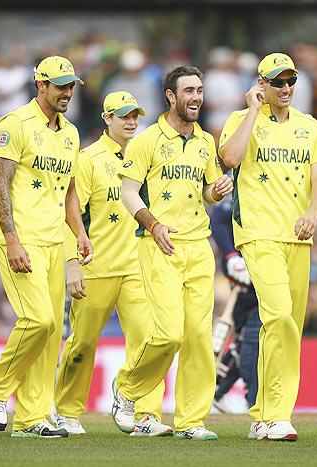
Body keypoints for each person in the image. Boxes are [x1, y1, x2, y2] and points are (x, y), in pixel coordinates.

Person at [111, 65, 232, 441]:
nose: (196, 97)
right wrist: (153, 224)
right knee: (168, 334)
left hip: (199, 245)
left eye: (200, 90)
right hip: (158, 245)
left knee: (198, 336)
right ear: (171, 96)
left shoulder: (205, 142)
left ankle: (191, 421)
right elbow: (128, 191)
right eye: (189, 91)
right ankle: (127, 390)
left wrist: (218, 190)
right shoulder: (147, 139)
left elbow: (207, 192)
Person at [219, 52, 317, 441]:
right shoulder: (239, 119)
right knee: (279, 315)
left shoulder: (309, 126)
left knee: (286, 327)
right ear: (260, 83)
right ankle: (277, 414)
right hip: (258, 234)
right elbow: (229, 158)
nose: (285, 89)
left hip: (299, 236)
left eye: (289, 81)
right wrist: (251, 111)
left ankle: (264, 415)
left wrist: (313, 215)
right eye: (276, 82)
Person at [0, 56, 92, 438]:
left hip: (53, 238)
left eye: (70, 86)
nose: (67, 93)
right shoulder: (13, 124)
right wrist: (11, 238)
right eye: (60, 86)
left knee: (51, 333)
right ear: (40, 85)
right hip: (19, 238)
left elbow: (70, 191)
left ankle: (31, 418)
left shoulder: (71, 133)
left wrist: (78, 233)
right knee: (39, 319)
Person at [53, 91, 169, 437]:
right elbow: (70, 214)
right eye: (123, 116)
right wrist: (72, 261)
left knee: (151, 338)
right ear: (107, 119)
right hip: (98, 266)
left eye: (135, 115)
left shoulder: (146, 154)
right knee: (83, 343)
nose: (131, 121)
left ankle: (144, 413)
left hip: (138, 266)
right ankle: (66, 412)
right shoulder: (88, 159)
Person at [210, 194, 261, 412]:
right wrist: (231, 256)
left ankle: (217, 387)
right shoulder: (237, 178)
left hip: (265, 262)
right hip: (241, 268)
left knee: (245, 334)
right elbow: (219, 220)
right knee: (253, 331)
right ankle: (255, 400)